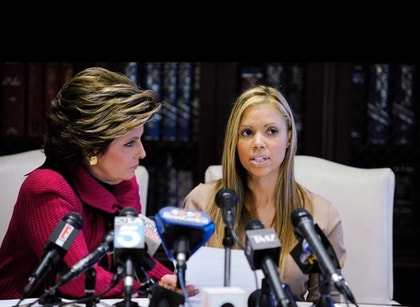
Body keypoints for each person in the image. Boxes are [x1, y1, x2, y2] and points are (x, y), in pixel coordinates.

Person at [0, 67, 199, 300]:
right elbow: (75, 279)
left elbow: (132, 259)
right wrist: (149, 287)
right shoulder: (45, 188)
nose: (142, 153)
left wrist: (168, 279)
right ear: (91, 149)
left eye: (140, 139)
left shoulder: (123, 183)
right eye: (129, 143)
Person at [183, 85, 346, 303]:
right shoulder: (201, 203)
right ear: (235, 141)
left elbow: (327, 299)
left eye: (271, 131)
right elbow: (185, 287)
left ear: (288, 138)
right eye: (247, 133)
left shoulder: (318, 215)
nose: (258, 143)